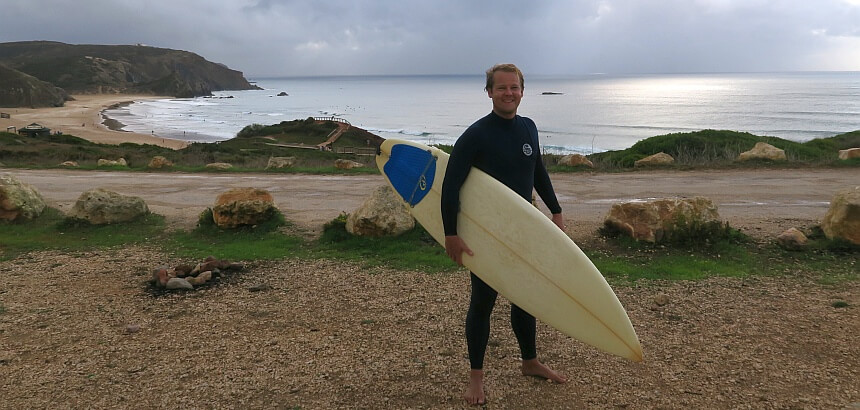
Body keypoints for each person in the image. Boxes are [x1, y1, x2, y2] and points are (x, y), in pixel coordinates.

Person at [440, 63, 568, 405]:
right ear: (489, 92)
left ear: (522, 91)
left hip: (524, 227)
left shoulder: (529, 128)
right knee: (482, 302)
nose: (508, 93)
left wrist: (555, 210)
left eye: (514, 88)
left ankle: (530, 362)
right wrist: (451, 234)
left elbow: (537, 170)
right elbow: (450, 186)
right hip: (489, 234)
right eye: (501, 88)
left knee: (525, 297)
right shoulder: (476, 135)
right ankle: (476, 379)